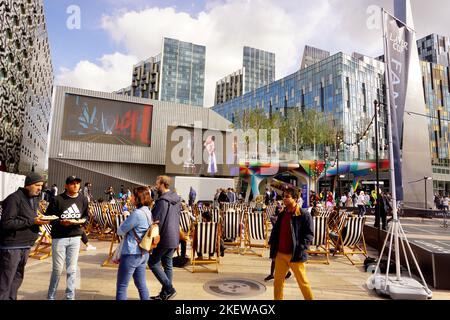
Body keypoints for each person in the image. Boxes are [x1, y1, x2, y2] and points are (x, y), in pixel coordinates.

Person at [0, 172, 50, 300]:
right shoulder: (14, 199)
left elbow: (29, 218)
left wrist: (37, 220)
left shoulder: (33, 199)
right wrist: (32, 221)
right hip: (12, 247)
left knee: (17, 279)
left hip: (25, 245)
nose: (40, 188)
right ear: (28, 185)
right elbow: (6, 223)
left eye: (41, 186)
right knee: (5, 282)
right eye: (37, 185)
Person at [46, 176, 89, 300]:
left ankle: (70, 296)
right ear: (66, 186)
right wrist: (60, 222)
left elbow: (86, 216)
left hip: (75, 237)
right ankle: (51, 296)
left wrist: (80, 222)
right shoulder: (57, 199)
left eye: (77, 183)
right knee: (57, 270)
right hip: (59, 238)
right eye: (72, 184)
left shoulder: (83, 199)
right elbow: (48, 218)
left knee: (72, 269)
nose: (75, 186)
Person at [269, 188, 314, 300]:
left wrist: (300, 248)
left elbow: (309, 235)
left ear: (295, 199)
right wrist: (272, 245)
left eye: (288, 196)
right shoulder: (282, 214)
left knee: (303, 283)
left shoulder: (303, 215)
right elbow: (276, 231)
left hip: (295, 255)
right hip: (280, 254)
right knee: (278, 283)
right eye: (284, 196)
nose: (284, 198)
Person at [116, 187, 153, 300]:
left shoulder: (137, 214)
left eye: (132, 195)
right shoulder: (148, 211)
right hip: (143, 253)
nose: (130, 197)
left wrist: (124, 221)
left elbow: (120, 231)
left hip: (131, 253)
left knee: (122, 286)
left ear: (138, 198)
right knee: (141, 285)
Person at [148, 176, 181, 300]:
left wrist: (152, 239)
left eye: (157, 183)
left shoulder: (162, 201)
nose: (156, 186)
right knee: (168, 264)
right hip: (173, 236)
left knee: (153, 263)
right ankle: (165, 294)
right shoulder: (177, 200)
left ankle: (169, 288)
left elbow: (157, 221)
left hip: (164, 237)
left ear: (162, 184)